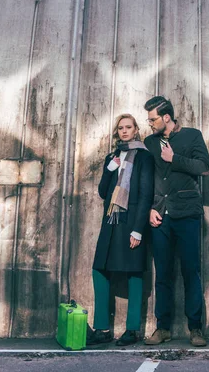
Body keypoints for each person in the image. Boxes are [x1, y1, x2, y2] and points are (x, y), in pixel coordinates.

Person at [143, 96, 209, 347]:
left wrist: (176, 159)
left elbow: (204, 167)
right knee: (163, 274)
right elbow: (146, 178)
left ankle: (196, 328)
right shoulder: (149, 143)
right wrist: (149, 209)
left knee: (190, 271)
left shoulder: (192, 136)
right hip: (160, 216)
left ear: (167, 117)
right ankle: (163, 328)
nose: (149, 123)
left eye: (153, 119)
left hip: (187, 213)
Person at [87, 113, 154, 347]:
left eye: (128, 127)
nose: (124, 131)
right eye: (120, 128)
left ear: (136, 129)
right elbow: (104, 192)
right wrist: (109, 169)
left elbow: (146, 194)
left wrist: (138, 230)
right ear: (117, 132)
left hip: (131, 220)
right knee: (100, 269)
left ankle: (132, 329)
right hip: (111, 220)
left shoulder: (144, 157)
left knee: (134, 272)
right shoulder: (112, 156)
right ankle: (103, 328)